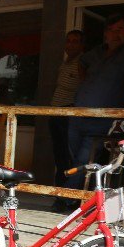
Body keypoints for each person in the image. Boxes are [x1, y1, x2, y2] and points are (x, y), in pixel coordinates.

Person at [63, 13, 124, 196]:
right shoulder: (98, 51)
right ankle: (81, 197)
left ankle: (66, 198)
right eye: (111, 30)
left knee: (84, 159)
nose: (115, 34)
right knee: (75, 159)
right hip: (78, 115)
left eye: (120, 30)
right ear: (105, 33)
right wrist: (86, 83)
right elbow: (82, 62)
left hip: (102, 120)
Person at [49, 30, 85, 212]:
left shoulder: (81, 63)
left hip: (68, 116)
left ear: (81, 45)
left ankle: (68, 199)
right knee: (59, 158)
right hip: (56, 115)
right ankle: (60, 196)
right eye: (68, 41)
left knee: (68, 158)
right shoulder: (65, 64)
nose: (71, 45)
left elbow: (83, 87)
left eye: (75, 42)